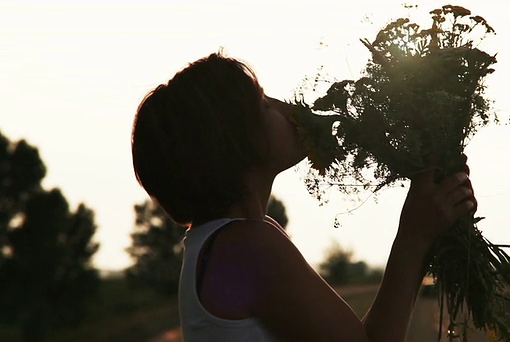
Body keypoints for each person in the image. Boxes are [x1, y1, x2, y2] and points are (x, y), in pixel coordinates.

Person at [131, 52, 477, 342]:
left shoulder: (225, 241)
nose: (286, 108)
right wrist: (414, 238)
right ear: (233, 143)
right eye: (264, 104)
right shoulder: (248, 247)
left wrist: (426, 229)